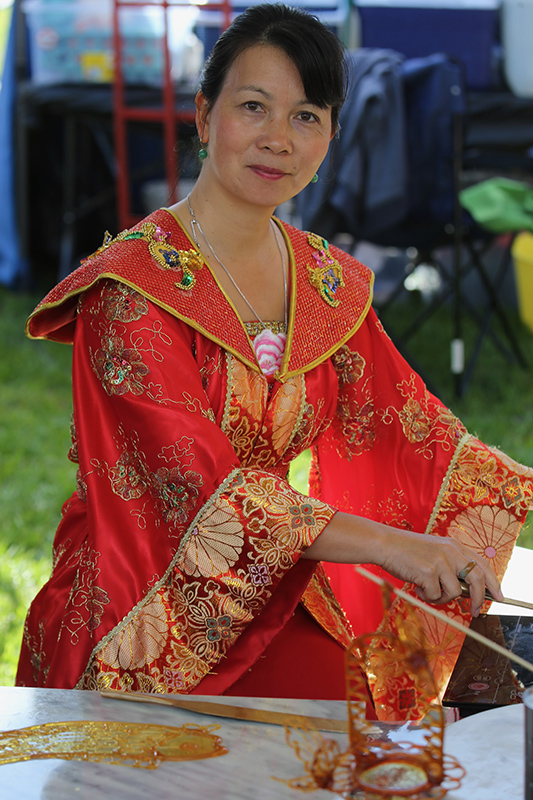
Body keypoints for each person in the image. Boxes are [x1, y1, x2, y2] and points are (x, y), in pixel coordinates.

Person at [16, 3, 533, 721]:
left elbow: (416, 435)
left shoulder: (323, 282)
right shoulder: (131, 291)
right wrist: (391, 546)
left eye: (306, 116)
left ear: (330, 136)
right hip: (142, 612)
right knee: (337, 740)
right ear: (204, 117)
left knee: (365, 730)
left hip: (272, 585)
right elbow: (198, 495)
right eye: (253, 106)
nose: (278, 139)